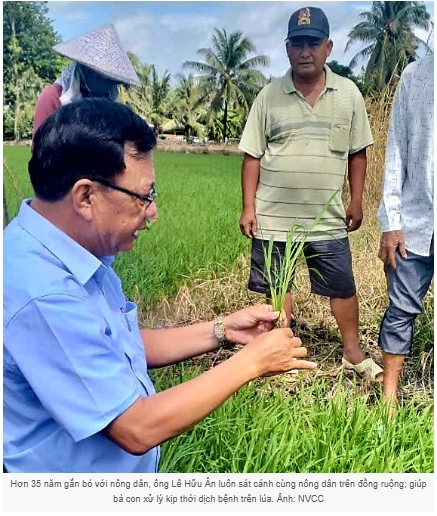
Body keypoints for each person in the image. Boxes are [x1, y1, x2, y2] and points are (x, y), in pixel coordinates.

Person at [3, 98, 317, 473]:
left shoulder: (72, 253)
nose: (152, 212)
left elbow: (113, 344)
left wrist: (222, 330)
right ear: (86, 196)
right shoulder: (43, 292)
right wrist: (253, 362)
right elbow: (136, 427)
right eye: (143, 196)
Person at [238, 6, 382, 380]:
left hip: (327, 217)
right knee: (277, 286)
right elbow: (252, 155)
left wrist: (356, 200)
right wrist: (248, 207)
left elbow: (358, 153)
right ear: (287, 49)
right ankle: (282, 350)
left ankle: (352, 352)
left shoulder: (348, 94)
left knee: (342, 287)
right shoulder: (269, 96)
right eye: (298, 44)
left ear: (328, 47)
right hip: (274, 217)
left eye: (313, 44)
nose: (306, 52)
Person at [377, 55, 434, 413]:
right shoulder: (415, 75)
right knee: (400, 308)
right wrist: (391, 221)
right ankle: (389, 398)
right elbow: (396, 150)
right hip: (416, 218)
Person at [33, 23, 140, 134]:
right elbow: (41, 143)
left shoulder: (111, 103)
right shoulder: (53, 97)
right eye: (106, 79)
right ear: (86, 70)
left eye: (113, 82)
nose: (108, 87)